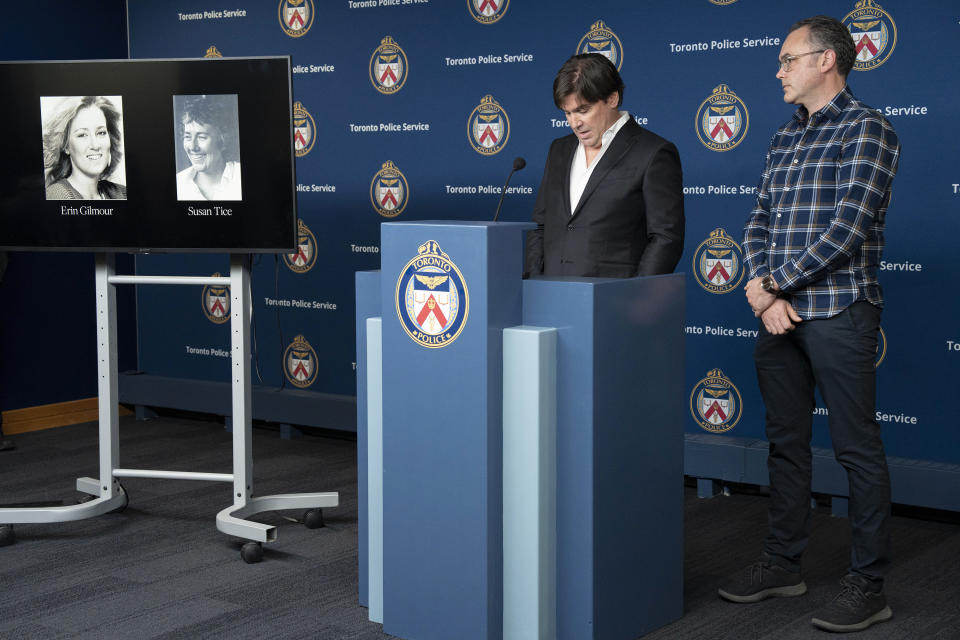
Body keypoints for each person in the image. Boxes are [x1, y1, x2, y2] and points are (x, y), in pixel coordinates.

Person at [718, 15, 900, 634]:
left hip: (842, 311)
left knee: (857, 450)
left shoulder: (869, 129)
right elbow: (758, 220)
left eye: (789, 59)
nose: (779, 71)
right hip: (780, 318)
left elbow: (847, 230)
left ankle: (868, 584)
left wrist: (772, 284)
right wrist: (767, 296)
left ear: (827, 60)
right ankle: (782, 563)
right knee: (785, 444)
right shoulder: (781, 138)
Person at [523, 54, 684, 278]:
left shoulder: (654, 153)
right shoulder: (558, 149)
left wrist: (636, 298)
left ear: (612, 99)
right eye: (567, 113)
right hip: (549, 300)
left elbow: (666, 238)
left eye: (583, 110)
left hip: (615, 304)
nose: (574, 123)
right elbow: (540, 226)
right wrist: (533, 283)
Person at [43, 96, 127, 200]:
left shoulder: (123, 193)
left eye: (101, 132)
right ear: (66, 146)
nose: (95, 145)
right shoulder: (58, 195)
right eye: (82, 135)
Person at [175, 95, 242, 201]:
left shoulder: (240, 176)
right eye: (187, 136)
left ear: (222, 140)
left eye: (201, 137)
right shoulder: (179, 183)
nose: (192, 147)